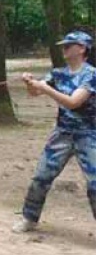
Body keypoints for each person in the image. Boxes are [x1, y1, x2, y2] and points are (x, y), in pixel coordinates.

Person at [14, 31, 96, 233]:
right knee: (41, 177)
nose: (64, 49)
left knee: (95, 184)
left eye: (69, 45)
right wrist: (30, 83)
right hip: (62, 134)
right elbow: (35, 93)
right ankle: (29, 218)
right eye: (64, 45)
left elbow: (74, 102)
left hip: (88, 135)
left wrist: (46, 88)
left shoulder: (91, 74)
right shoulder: (58, 73)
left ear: (82, 48)